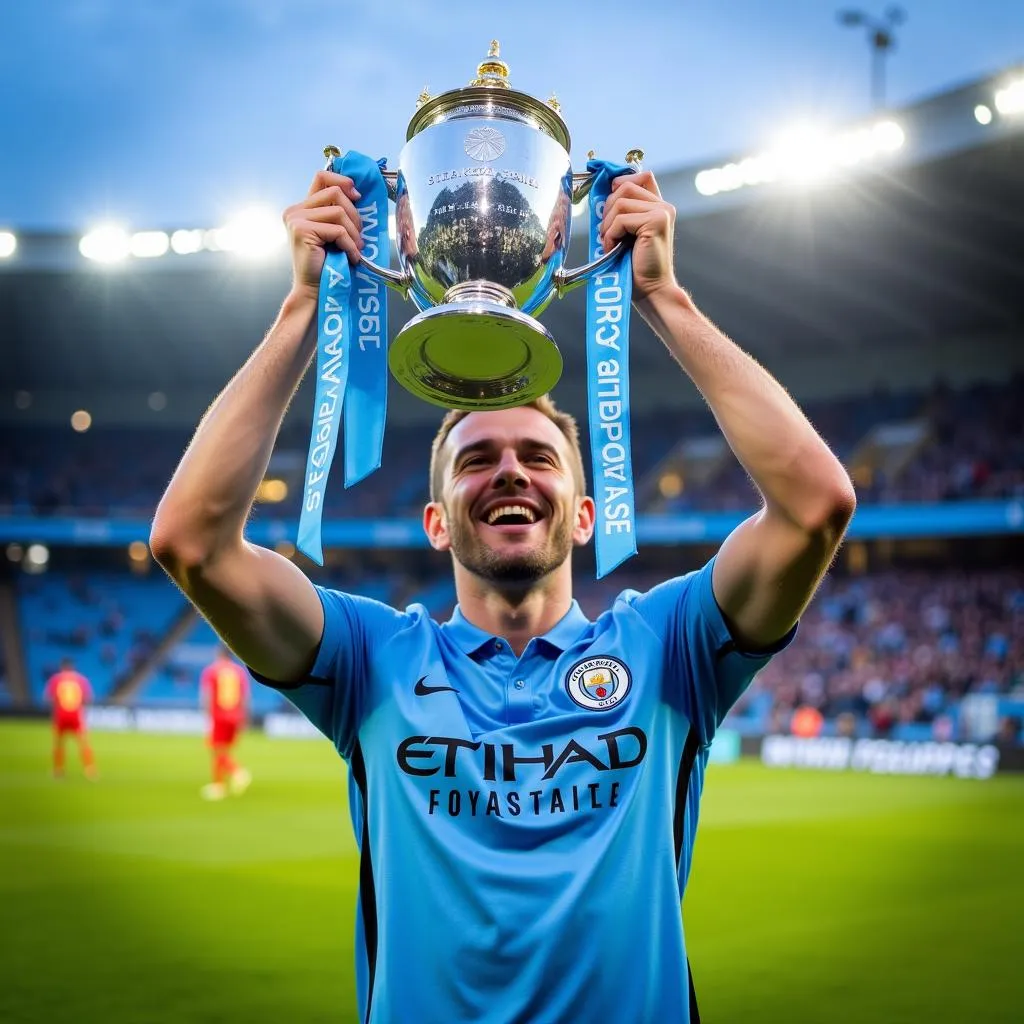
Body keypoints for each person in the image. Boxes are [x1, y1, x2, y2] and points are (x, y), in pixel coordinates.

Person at [150, 167, 856, 1023]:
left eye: (539, 455)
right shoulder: (371, 657)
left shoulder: (668, 647)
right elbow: (190, 542)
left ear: (587, 514)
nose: (511, 470)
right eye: (477, 460)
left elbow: (817, 507)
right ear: (437, 523)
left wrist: (665, 297)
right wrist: (304, 308)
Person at [199, 646, 251, 800]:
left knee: (216, 750)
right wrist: (244, 717)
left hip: (218, 715)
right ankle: (219, 786)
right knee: (224, 750)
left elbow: (207, 695)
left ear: (219, 654)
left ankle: (238, 772)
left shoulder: (212, 671)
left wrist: (207, 715)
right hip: (235, 715)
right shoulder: (239, 672)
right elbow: (245, 697)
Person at [43, 658, 97, 780]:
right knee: (84, 743)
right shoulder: (81, 679)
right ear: (73, 667)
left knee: (58, 743)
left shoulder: (55, 679)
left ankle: (58, 770)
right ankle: (90, 770)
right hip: (76, 715)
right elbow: (88, 698)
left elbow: (48, 698)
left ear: (62, 667)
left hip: (61, 715)